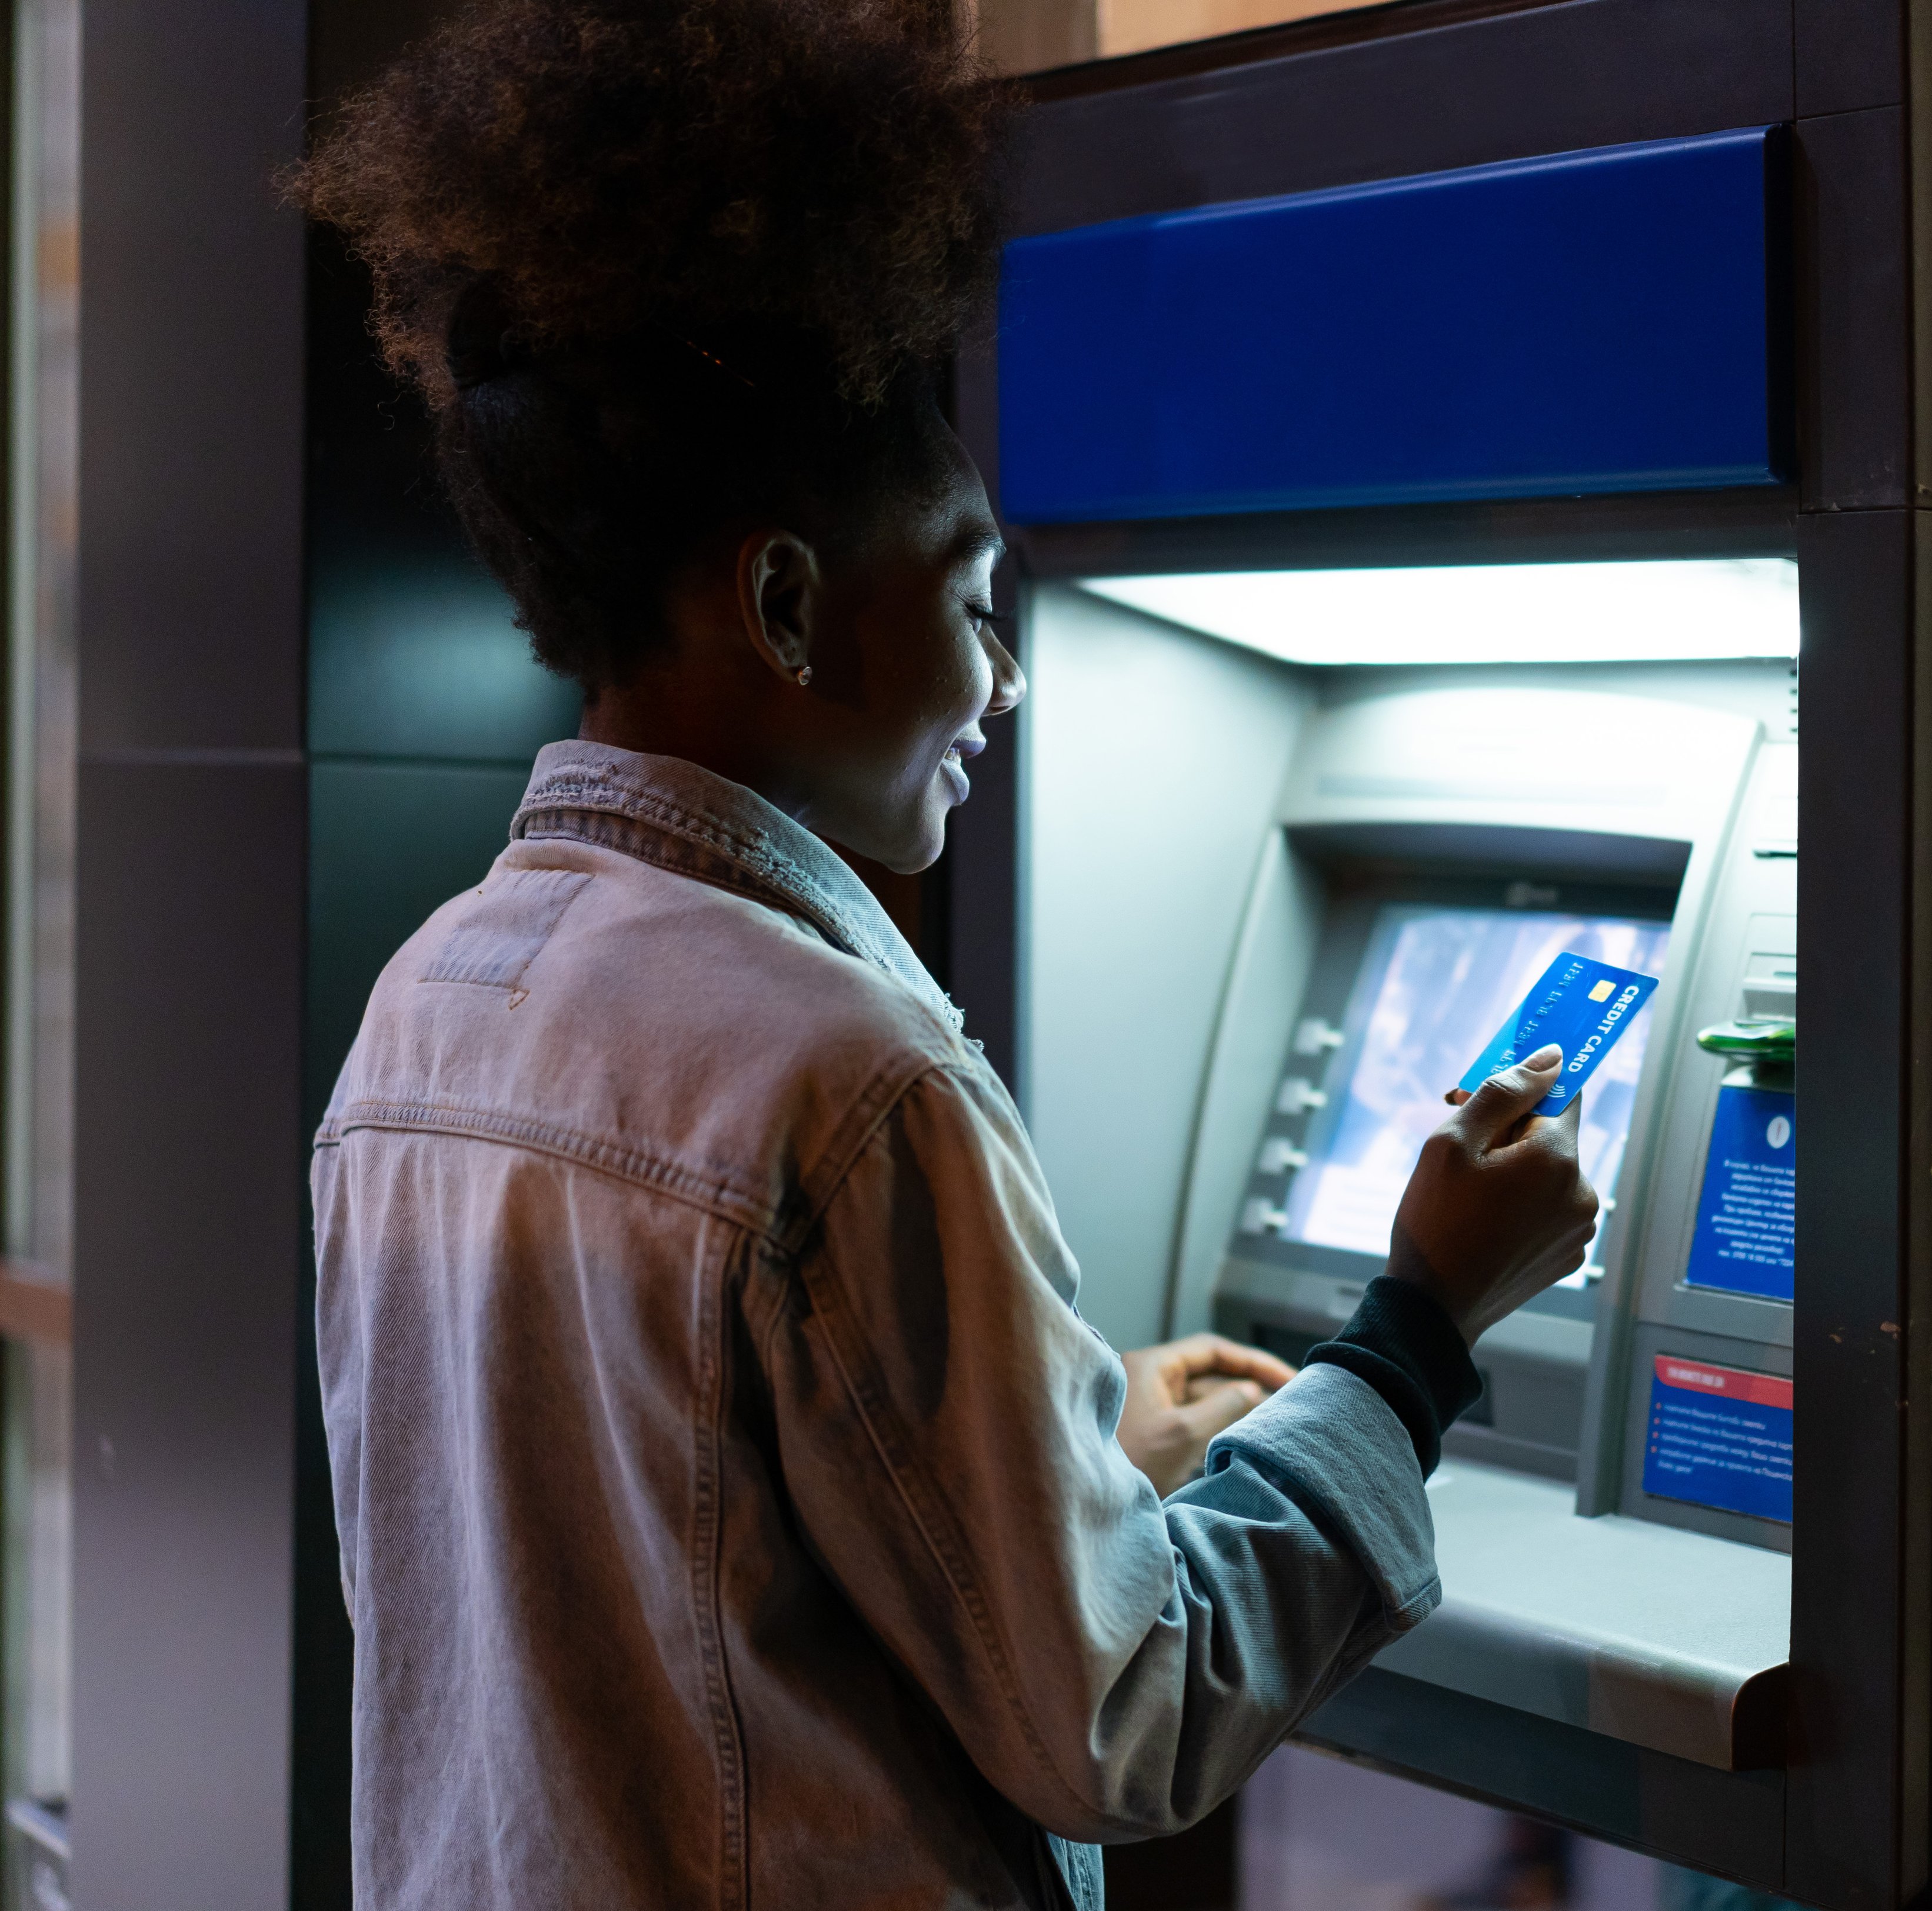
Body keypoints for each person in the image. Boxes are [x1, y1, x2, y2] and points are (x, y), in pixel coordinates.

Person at [294, 4, 1600, 1906]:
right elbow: (1127, 1709)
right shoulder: (839, 1077)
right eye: (977, 595)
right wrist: (1412, 1333)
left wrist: (1062, 1437)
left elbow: (655, 1539)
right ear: (791, 602)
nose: (1003, 678)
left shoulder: (432, 1004)